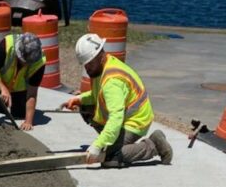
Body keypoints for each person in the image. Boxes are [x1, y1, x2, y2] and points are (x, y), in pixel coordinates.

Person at [61, 33, 173, 167]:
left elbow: (115, 118)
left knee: (109, 158)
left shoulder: (112, 81)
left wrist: (98, 145)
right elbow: (98, 95)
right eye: (85, 65)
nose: (87, 68)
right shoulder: (103, 66)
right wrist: (79, 99)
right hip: (125, 115)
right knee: (85, 107)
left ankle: (153, 145)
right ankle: (114, 141)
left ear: (99, 56)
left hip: (136, 121)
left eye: (89, 64)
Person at [0, 32, 45, 130]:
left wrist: (28, 121)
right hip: (0, 82)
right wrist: (3, 89)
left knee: (19, 115)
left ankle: (15, 101)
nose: (25, 64)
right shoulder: (7, 45)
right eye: (23, 61)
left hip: (19, 89)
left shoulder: (39, 62)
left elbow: (32, 93)